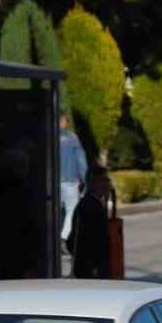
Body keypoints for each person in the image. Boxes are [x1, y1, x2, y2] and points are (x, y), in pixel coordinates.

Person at [66, 167, 114, 279]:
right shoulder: (90, 207)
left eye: (108, 180)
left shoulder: (92, 203)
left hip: (89, 266)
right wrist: (93, 266)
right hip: (91, 269)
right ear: (94, 184)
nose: (108, 184)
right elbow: (89, 240)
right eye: (105, 180)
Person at [58, 113, 88, 244]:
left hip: (52, 182)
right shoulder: (72, 138)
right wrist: (84, 178)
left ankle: (52, 237)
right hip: (70, 181)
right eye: (66, 121)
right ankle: (64, 237)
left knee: (55, 210)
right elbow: (81, 160)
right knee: (72, 210)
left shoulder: (47, 136)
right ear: (65, 122)